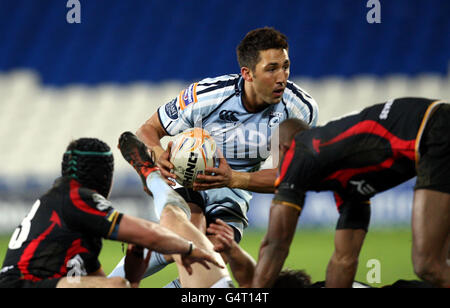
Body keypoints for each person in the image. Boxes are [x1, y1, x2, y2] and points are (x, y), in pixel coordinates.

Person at [116, 27, 318, 283]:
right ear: (247, 73)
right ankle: (110, 283)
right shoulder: (208, 95)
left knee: (215, 253)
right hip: (190, 175)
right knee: (189, 235)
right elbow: (147, 130)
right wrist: (158, 153)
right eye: (272, 68)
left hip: (235, 188)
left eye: (286, 66)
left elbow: (288, 178)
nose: (282, 77)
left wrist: (232, 179)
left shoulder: (299, 109)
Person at [252, 97, 450, 288]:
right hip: (435, 129)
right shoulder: (349, 183)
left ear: (283, 148)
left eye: (274, 154)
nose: (275, 167)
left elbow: (276, 245)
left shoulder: (299, 152)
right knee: (444, 259)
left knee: (428, 265)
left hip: (435, 129)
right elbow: (345, 260)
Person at [0, 137, 223, 288]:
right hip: (23, 285)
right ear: (106, 176)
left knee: (117, 285)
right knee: (115, 285)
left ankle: (153, 178)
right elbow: (148, 233)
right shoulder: (75, 196)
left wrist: (135, 267)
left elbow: (113, 282)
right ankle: (152, 177)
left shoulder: (68, 215)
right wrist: (190, 248)